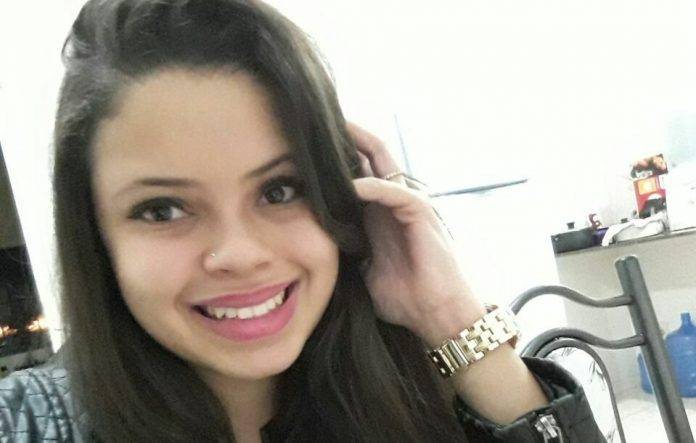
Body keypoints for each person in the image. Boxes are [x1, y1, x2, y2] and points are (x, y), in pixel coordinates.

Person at [0, 0, 605, 441]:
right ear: (97, 235)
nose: (241, 252)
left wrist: (450, 317)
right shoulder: (25, 420)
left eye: (280, 190)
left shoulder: (408, 386)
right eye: (163, 209)